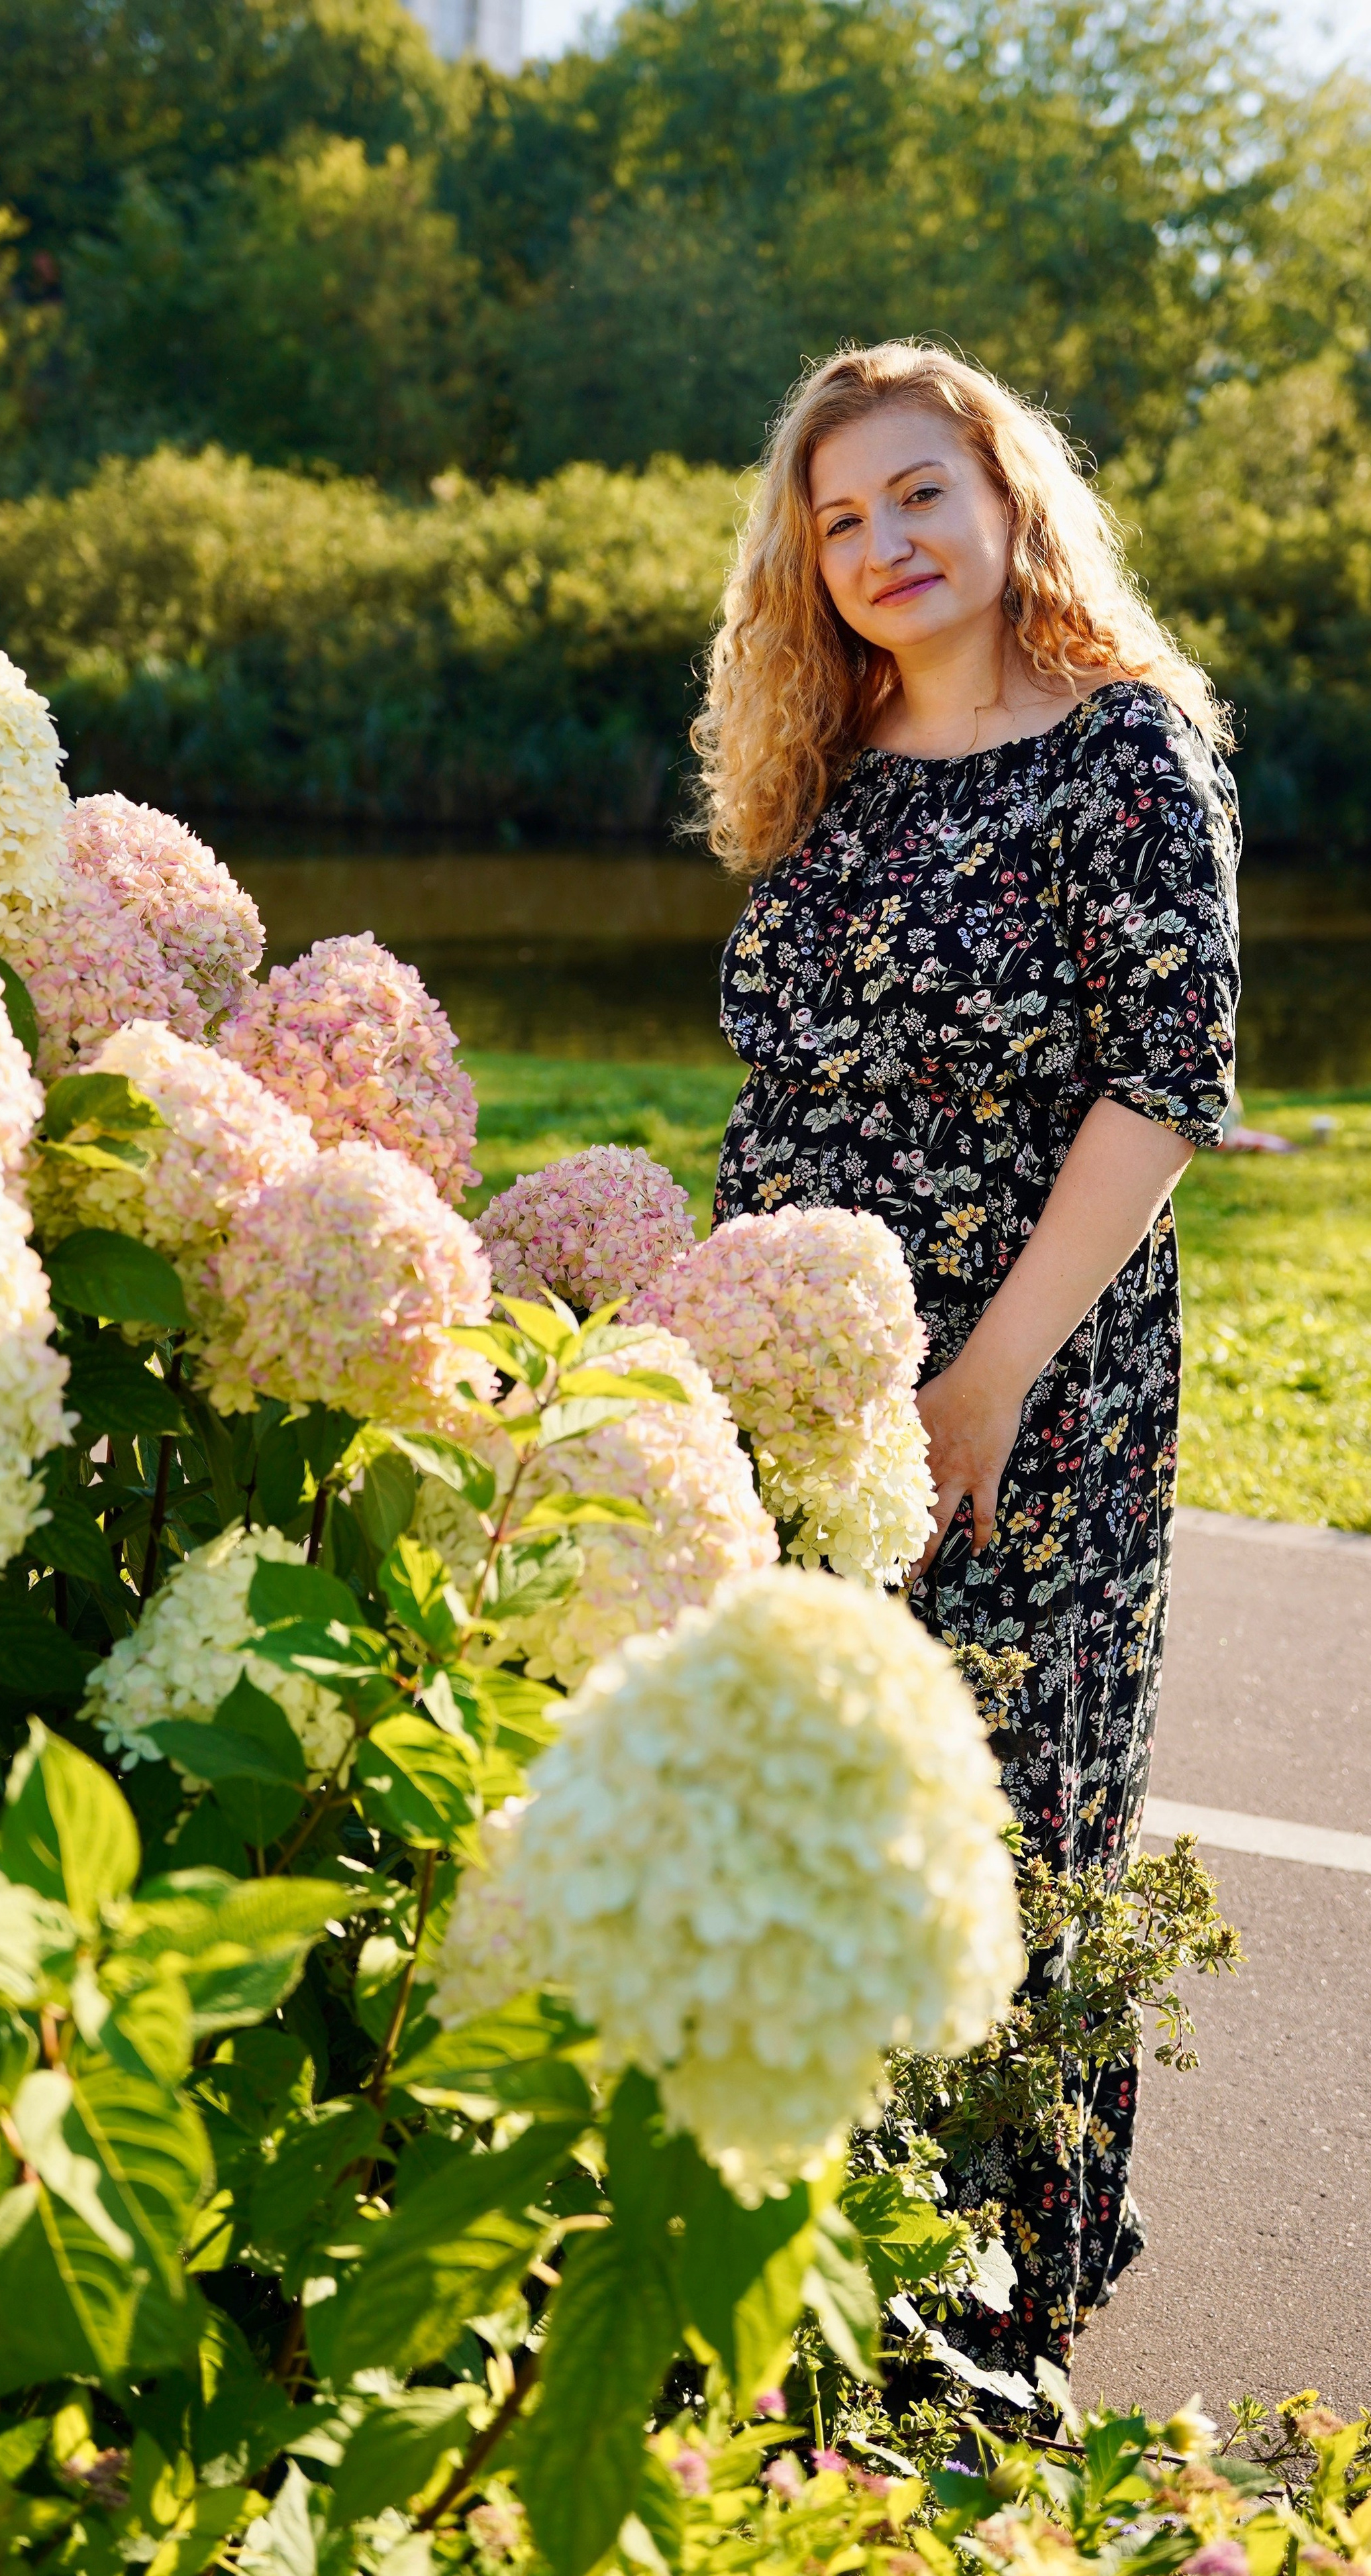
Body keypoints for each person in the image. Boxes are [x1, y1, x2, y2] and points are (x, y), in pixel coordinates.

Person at [695, 339, 1241, 2375]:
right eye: (839, 519)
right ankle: (803, 2271)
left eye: (919, 493)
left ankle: (995, 2303)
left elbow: (1163, 1094)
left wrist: (987, 1379)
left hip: (1028, 1388)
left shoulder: (1128, 754)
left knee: (1003, 1817)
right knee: (815, 1801)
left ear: (1011, 502)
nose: (882, 543)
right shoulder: (819, 772)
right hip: (799, 1390)